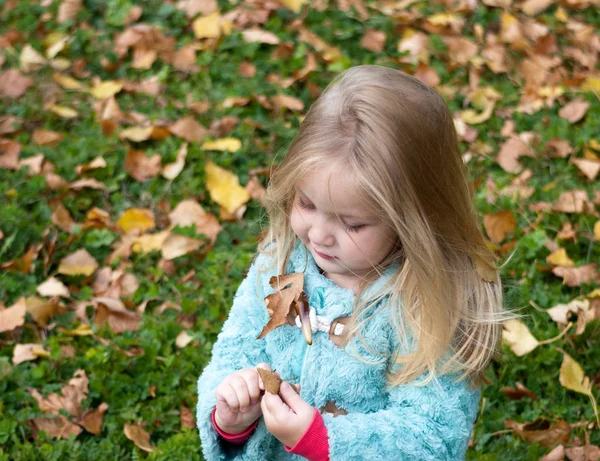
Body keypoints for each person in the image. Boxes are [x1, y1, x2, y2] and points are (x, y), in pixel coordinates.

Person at [196, 65, 511, 460]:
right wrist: (229, 417)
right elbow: (234, 351)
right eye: (306, 203)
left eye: (353, 224)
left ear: (412, 220)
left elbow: (433, 434)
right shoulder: (279, 263)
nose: (319, 235)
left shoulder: (424, 304)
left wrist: (325, 441)